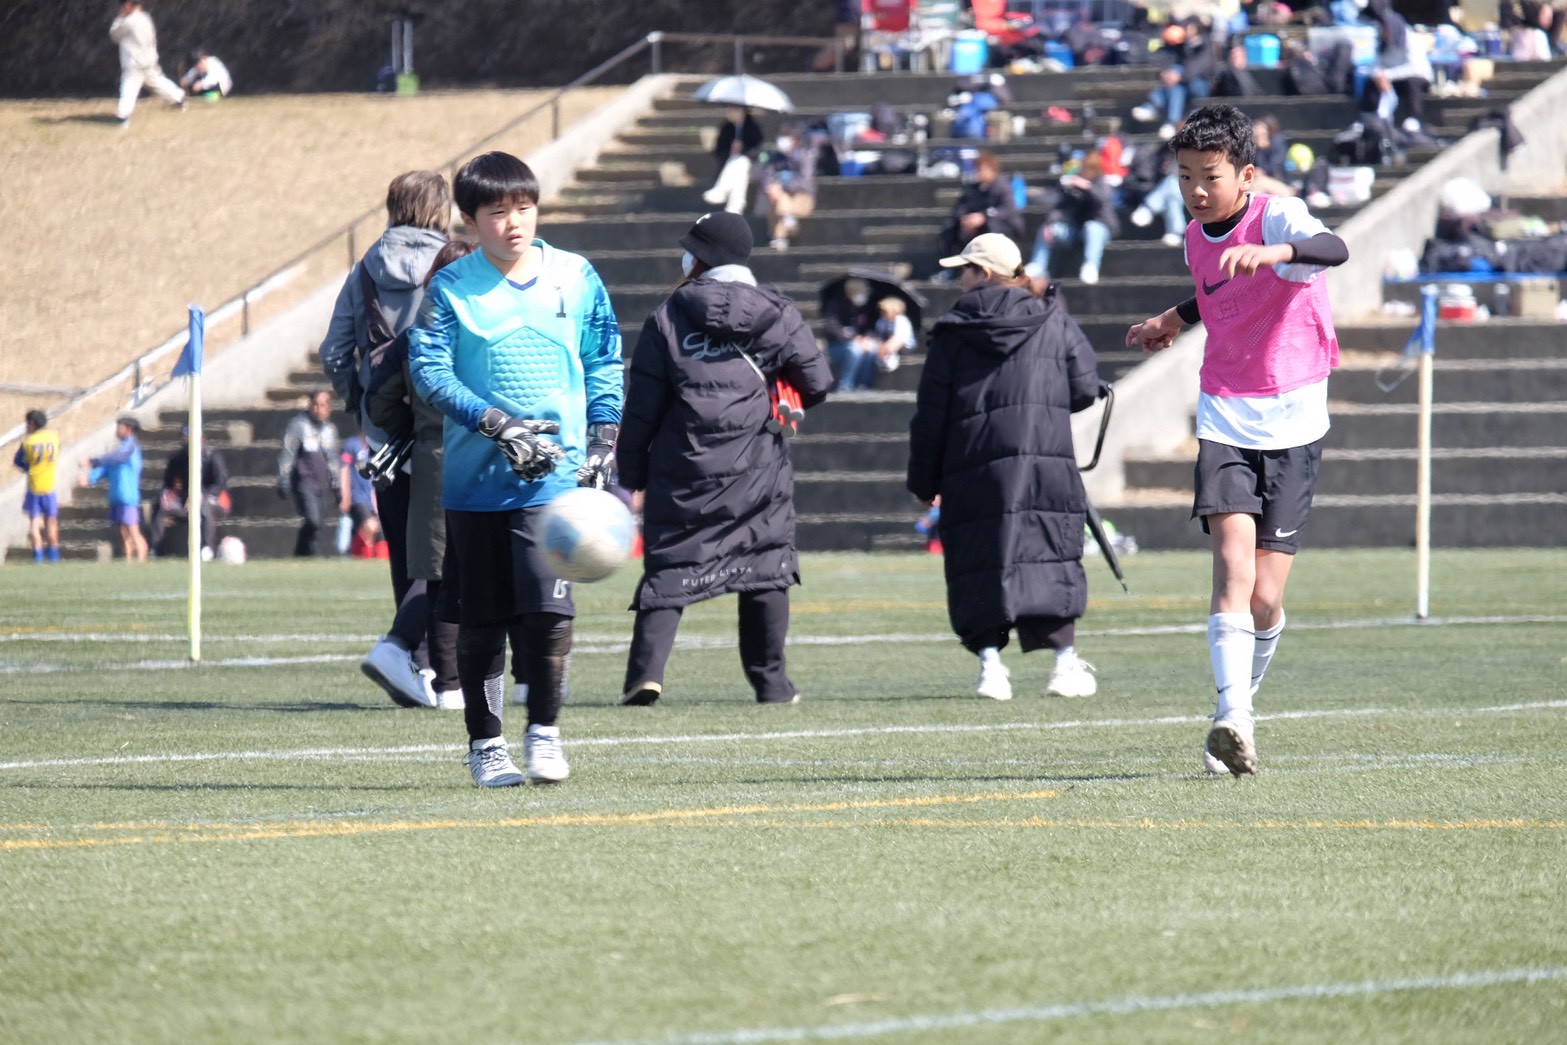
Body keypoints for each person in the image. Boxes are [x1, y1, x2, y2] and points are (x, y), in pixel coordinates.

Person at [1123, 104, 1349, 777]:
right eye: (1185, 176)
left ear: (1246, 174)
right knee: (1232, 569)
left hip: (1294, 418)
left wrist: (1277, 251)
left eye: (1210, 176)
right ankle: (1232, 718)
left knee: (1263, 600)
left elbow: (1334, 248)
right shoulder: (1195, 235)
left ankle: (1237, 706)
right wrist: (1174, 316)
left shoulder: (1279, 216)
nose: (1196, 190)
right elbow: (1218, 290)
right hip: (1223, 411)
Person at [408, 150, 623, 788]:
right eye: (497, 212)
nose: (514, 223)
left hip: (555, 483)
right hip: (475, 483)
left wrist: (604, 436)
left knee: (550, 614)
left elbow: (605, 358)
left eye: (524, 208)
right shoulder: (450, 287)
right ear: (470, 221)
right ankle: (486, 745)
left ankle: (545, 734)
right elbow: (428, 371)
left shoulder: (576, 276)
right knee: (481, 622)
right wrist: (495, 423)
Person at [616, 211, 832, 708]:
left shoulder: (667, 317)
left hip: (683, 468)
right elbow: (818, 383)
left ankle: (645, 676)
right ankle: (771, 684)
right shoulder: (778, 312)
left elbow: (643, 408)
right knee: (765, 566)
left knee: (671, 565)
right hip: (758, 465)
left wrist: (632, 474)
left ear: (700, 257)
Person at [907, 233, 1104, 702]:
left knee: (979, 559)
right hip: (1044, 459)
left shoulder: (953, 331)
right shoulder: (1052, 317)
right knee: (1050, 555)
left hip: (972, 464)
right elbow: (1084, 387)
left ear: (984, 273)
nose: (959, 279)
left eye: (964, 270)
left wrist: (923, 481)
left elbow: (931, 415)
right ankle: (1063, 665)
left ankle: (991, 670)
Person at [319, 171, 451, 699]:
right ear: (440, 210)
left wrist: (362, 403)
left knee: (404, 549)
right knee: (445, 547)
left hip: (384, 433)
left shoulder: (364, 269)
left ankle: (413, 663)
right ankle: (431, 663)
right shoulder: (457, 263)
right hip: (444, 420)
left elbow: (334, 350)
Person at [366, 239, 478, 713]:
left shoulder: (415, 336)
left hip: (432, 456)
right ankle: (402, 647)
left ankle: (445, 680)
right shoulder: (482, 333)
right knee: (454, 574)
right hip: (475, 456)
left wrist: (413, 425)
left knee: (437, 568)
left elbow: (379, 401)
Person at [1027, 152, 1119, 285]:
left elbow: (1101, 201)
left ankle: (1091, 266)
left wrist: (1087, 187)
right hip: (1076, 230)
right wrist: (1050, 222)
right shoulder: (1075, 186)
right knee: (1049, 229)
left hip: (1099, 230)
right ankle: (1038, 264)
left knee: (1092, 228)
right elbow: (1060, 207)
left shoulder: (1102, 184)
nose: (1084, 172)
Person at [935, 151, 1025, 278]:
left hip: (1002, 226)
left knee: (991, 228)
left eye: (980, 168)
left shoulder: (1002, 186)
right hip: (973, 226)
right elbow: (960, 207)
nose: (977, 172)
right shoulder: (972, 188)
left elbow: (1008, 209)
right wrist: (965, 220)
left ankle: (993, 268)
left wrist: (984, 217)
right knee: (950, 228)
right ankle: (953, 270)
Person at [148, 425, 230, 558]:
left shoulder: (213, 457)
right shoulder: (177, 459)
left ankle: (207, 547)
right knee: (159, 504)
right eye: (186, 437)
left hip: (214, 501)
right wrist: (166, 495)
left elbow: (220, 484)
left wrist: (200, 494)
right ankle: (156, 548)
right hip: (186, 503)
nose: (188, 440)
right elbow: (169, 485)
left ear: (203, 438)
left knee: (204, 505)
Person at [276, 389, 341, 557]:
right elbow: (288, 453)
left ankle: (303, 555)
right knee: (313, 520)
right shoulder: (298, 425)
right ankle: (308, 553)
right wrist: (283, 478)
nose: (318, 409)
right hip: (304, 482)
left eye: (323, 405)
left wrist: (337, 484)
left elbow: (333, 459)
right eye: (315, 405)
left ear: (329, 408)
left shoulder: (330, 430)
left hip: (323, 483)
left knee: (318, 524)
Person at [78, 415, 148, 561]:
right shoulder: (120, 449)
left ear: (130, 429)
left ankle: (142, 562)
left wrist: (93, 462)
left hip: (128, 496)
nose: (117, 430)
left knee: (133, 531)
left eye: (120, 427)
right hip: (116, 497)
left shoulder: (131, 446)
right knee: (123, 533)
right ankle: (128, 563)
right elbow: (108, 467)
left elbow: (117, 458)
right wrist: (90, 478)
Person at [109, 0, 184, 127]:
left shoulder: (128, 21)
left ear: (128, 4)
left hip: (134, 63)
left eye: (123, 5)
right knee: (158, 82)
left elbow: (114, 35)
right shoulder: (146, 18)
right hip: (149, 59)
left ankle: (123, 116)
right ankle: (179, 97)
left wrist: (119, 18)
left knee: (129, 88)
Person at [756, 124, 817, 251]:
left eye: (786, 137)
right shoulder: (775, 158)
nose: (781, 140)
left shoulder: (805, 157)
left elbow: (804, 180)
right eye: (780, 136)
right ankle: (787, 222)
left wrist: (782, 186)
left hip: (801, 198)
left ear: (796, 141)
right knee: (777, 198)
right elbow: (767, 175)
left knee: (780, 198)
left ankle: (780, 236)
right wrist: (771, 187)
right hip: (779, 197)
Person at [12, 410, 61, 563]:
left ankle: (38, 560)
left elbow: (18, 461)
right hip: (49, 486)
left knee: (34, 526)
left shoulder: (28, 442)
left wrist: (29, 468)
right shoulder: (54, 437)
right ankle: (54, 559)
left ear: (32, 424)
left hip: (34, 487)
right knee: (51, 524)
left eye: (27, 424)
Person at [702, 106, 764, 214]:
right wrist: (730, 150)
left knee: (742, 161)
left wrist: (743, 149)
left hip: (751, 165)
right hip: (730, 165)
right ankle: (736, 204)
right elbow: (719, 149)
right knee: (739, 168)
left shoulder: (752, 127)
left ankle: (721, 190)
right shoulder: (727, 128)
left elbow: (758, 150)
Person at [822, 277, 877, 392]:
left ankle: (863, 385)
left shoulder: (864, 307)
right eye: (859, 292)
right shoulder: (835, 305)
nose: (862, 296)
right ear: (849, 291)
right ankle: (845, 385)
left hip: (860, 342)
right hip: (837, 346)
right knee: (855, 349)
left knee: (872, 348)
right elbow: (832, 328)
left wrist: (867, 338)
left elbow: (869, 327)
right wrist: (853, 338)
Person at [339, 432, 379, 553]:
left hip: (371, 498)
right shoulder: (351, 444)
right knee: (370, 526)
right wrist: (345, 495)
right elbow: (344, 469)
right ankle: (361, 553)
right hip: (357, 496)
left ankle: (357, 553)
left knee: (370, 529)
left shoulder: (376, 447)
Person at [869, 295, 916, 374]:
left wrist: (886, 348)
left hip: (903, 347)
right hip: (885, 345)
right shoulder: (881, 321)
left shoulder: (902, 320)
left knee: (893, 344)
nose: (882, 312)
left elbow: (899, 339)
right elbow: (879, 336)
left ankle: (889, 361)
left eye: (885, 311)